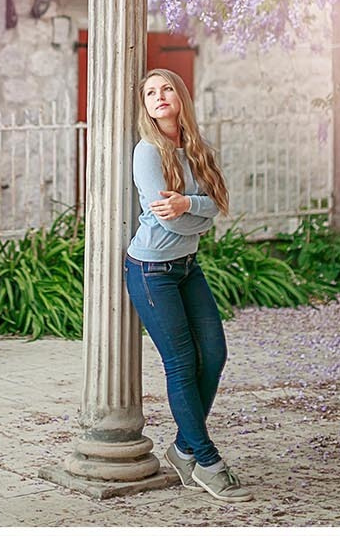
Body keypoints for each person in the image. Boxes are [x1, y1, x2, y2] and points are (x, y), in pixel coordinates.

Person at [122, 68, 252, 503]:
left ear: (180, 97)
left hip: (187, 267)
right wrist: (191, 212)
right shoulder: (147, 152)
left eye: (166, 89)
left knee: (214, 354)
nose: (159, 97)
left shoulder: (197, 148)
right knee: (181, 363)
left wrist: (188, 205)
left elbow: (217, 204)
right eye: (150, 93)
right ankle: (207, 462)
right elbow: (166, 218)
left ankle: (181, 449)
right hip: (151, 269)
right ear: (145, 106)